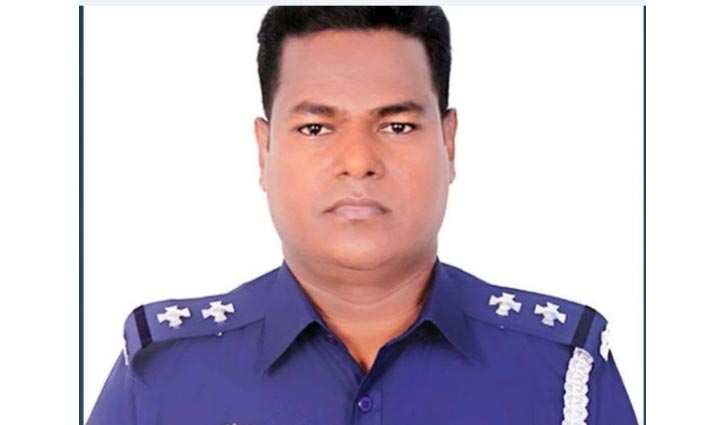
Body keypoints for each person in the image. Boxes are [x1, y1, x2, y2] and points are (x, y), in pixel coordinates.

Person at [86, 6, 639, 425]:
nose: (357, 161)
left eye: (397, 126)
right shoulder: (162, 374)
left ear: (448, 144)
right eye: (315, 128)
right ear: (264, 150)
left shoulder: (564, 373)